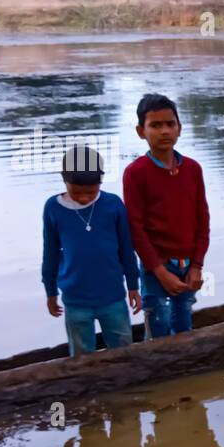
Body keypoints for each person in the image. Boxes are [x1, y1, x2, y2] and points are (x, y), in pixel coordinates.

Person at [42, 144, 142, 356]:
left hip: (113, 296)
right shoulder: (53, 208)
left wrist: (133, 285)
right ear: (64, 180)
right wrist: (50, 292)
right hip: (75, 300)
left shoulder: (113, 205)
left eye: (90, 191)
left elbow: (126, 248)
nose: (84, 197)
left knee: (123, 349)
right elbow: (50, 253)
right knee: (81, 354)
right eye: (76, 192)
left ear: (101, 182)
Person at [122, 93, 209, 338]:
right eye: (155, 125)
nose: (164, 131)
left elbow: (203, 219)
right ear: (141, 131)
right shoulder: (135, 173)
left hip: (188, 264)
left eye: (170, 124)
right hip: (155, 266)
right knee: (157, 321)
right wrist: (160, 271)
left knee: (183, 321)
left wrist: (197, 265)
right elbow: (136, 229)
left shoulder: (192, 169)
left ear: (179, 128)